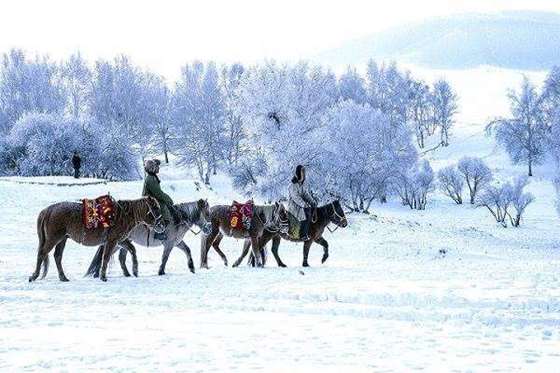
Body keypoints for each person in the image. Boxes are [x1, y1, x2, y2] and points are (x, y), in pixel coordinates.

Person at [142, 159, 177, 240]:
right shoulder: (151, 179)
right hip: (149, 201)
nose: (158, 168)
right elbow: (158, 193)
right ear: (152, 168)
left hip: (152, 199)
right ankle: (159, 232)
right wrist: (168, 199)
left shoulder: (153, 177)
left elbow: (158, 193)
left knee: (164, 205)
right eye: (156, 167)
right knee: (163, 210)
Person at [287, 165, 317, 240]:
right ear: (298, 173)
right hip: (294, 206)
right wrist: (304, 204)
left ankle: (309, 231)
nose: (304, 174)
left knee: (312, 210)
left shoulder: (302, 185)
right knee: (306, 213)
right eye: (302, 172)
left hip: (301, 205)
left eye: (304, 172)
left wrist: (312, 202)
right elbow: (295, 197)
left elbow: (305, 194)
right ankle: (302, 235)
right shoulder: (293, 185)